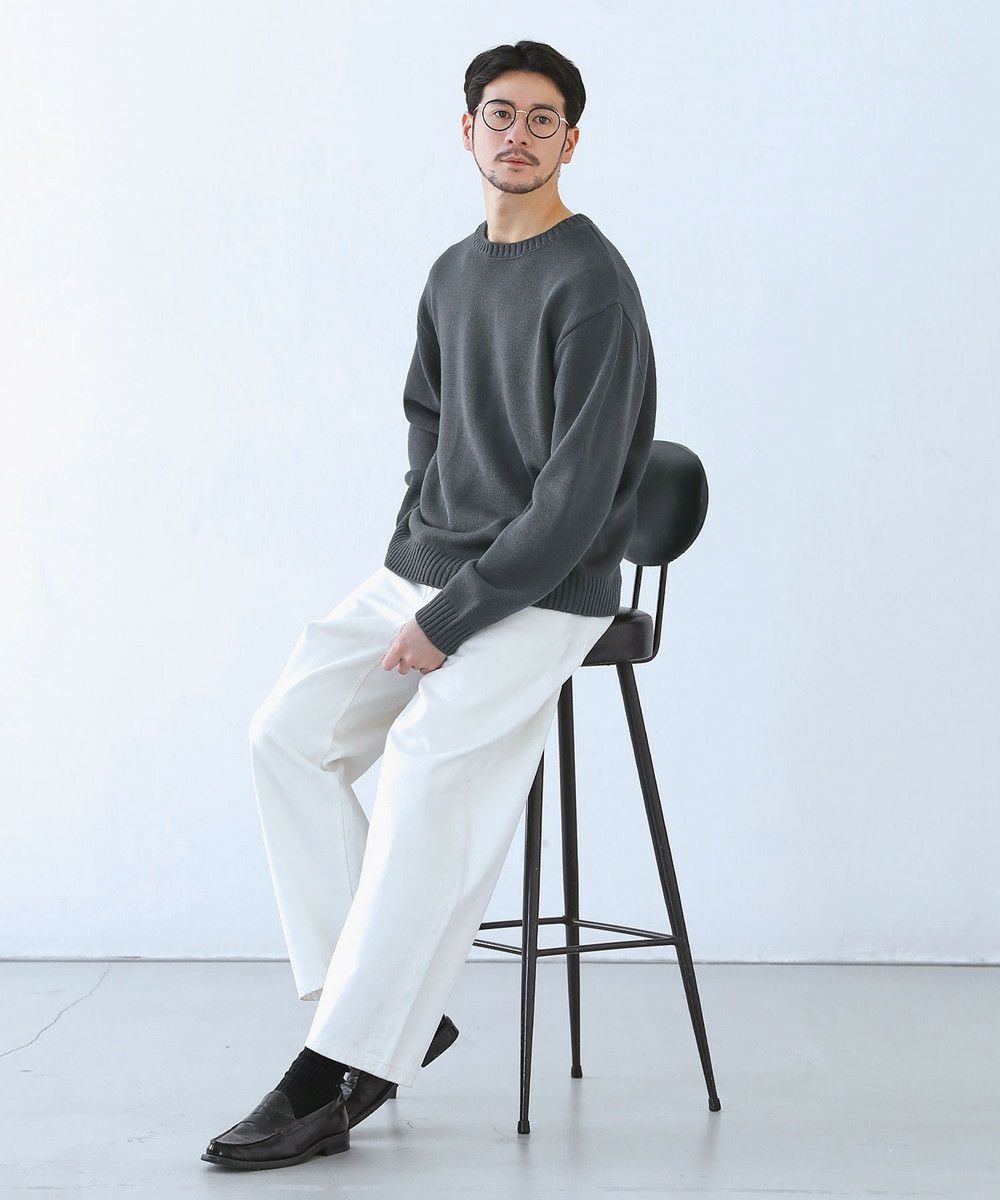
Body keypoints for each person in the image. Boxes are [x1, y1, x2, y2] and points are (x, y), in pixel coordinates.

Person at [202, 37, 657, 1170]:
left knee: (420, 779)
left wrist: (450, 619)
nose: (518, 135)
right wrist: (417, 550)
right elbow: (428, 419)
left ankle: (334, 1071)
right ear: (467, 131)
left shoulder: (594, 285)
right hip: (431, 560)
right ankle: (384, 1008)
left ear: (571, 141)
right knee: (287, 735)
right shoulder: (453, 272)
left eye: (542, 119)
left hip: (546, 590)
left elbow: (573, 504)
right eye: (500, 114)